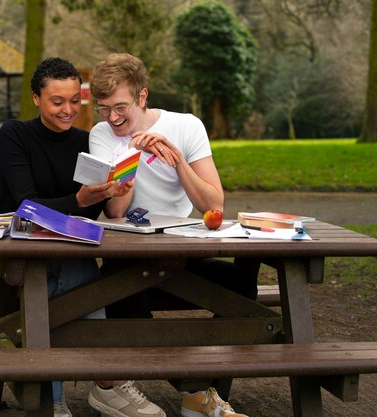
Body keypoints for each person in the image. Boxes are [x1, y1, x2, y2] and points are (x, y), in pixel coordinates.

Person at [0, 57, 165, 417]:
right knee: (79, 285)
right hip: (9, 265)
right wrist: (79, 200)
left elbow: (88, 216)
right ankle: (103, 386)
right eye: (57, 101)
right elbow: (24, 204)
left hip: (69, 261)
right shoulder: (16, 135)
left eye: (74, 100)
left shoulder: (89, 141)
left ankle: (54, 398)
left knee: (72, 278)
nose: (68, 110)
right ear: (36, 98)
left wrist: (113, 190)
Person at [89, 53, 256, 417]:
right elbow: (115, 212)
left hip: (181, 251)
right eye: (103, 109)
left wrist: (177, 160)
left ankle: (200, 391)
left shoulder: (187, 125)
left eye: (120, 108)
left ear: (142, 97)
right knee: (116, 287)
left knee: (243, 290)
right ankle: (197, 393)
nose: (112, 118)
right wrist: (128, 153)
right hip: (130, 257)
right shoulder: (102, 135)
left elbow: (213, 204)